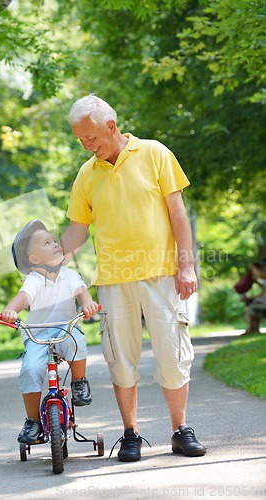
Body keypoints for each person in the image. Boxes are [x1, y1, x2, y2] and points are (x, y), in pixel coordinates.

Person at [61, 94, 206, 461]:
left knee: (172, 356)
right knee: (119, 359)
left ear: (111, 126)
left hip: (160, 274)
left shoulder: (155, 153)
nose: (86, 145)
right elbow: (76, 231)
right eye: (80, 140)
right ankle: (131, 433)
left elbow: (178, 215)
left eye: (90, 137)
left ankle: (180, 430)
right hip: (112, 281)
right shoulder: (86, 174)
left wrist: (185, 266)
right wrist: (49, 264)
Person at [1, 219, 98, 445]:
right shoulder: (34, 280)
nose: (56, 244)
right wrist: (10, 310)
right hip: (38, 333)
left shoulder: (70, 274)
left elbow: (82, 293)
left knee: (76, 342)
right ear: (34, 260)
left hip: (66, 327)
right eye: (47, 243)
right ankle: (33, 421)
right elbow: (23, 297)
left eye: (55, 240)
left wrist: (88, 304)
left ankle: (79, 382)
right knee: (30, 369)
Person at [234, 259, 266, 334]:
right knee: (251, 304)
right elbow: (263, 292)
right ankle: (254, 328)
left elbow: (260, 275)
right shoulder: (263, 280)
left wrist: (253, 267)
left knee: (251, 306)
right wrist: (249, 298)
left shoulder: (262, 276)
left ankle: (251, 328)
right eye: (263, 269)